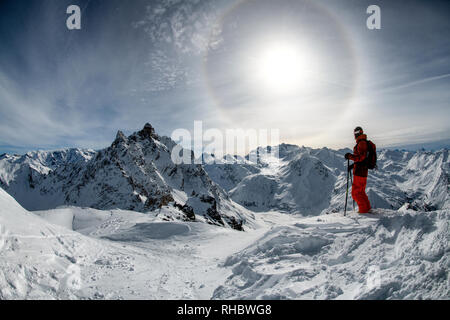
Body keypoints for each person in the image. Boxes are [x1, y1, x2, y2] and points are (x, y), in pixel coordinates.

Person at [345, 127, 371, 214]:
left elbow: (361, 157)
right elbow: (362, 159)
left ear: (361, 132)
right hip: (362, 171)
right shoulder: (362, 142)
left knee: (356, 193)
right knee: (361, 192)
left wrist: (350, 156)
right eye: (355, 132)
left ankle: (364, 212)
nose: (356, 134)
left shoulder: (361, 143)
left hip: (360, 172)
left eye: (357, 132)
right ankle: (367, 209)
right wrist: (353, 165)